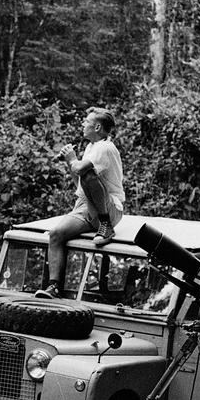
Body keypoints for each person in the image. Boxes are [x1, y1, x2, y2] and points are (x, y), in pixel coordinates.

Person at [36, 107, 124, 299]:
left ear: (98, 127)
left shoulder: (104, 147)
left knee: (87, 172)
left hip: (110, 210)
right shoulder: (91, 147)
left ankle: (106, 225)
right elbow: (80, 184)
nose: (83, 124)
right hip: (87, 206)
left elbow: (83, 170)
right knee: (56, 234)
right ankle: (54, 286)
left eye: (86, 122)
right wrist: (70, 162)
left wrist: (72, 160)